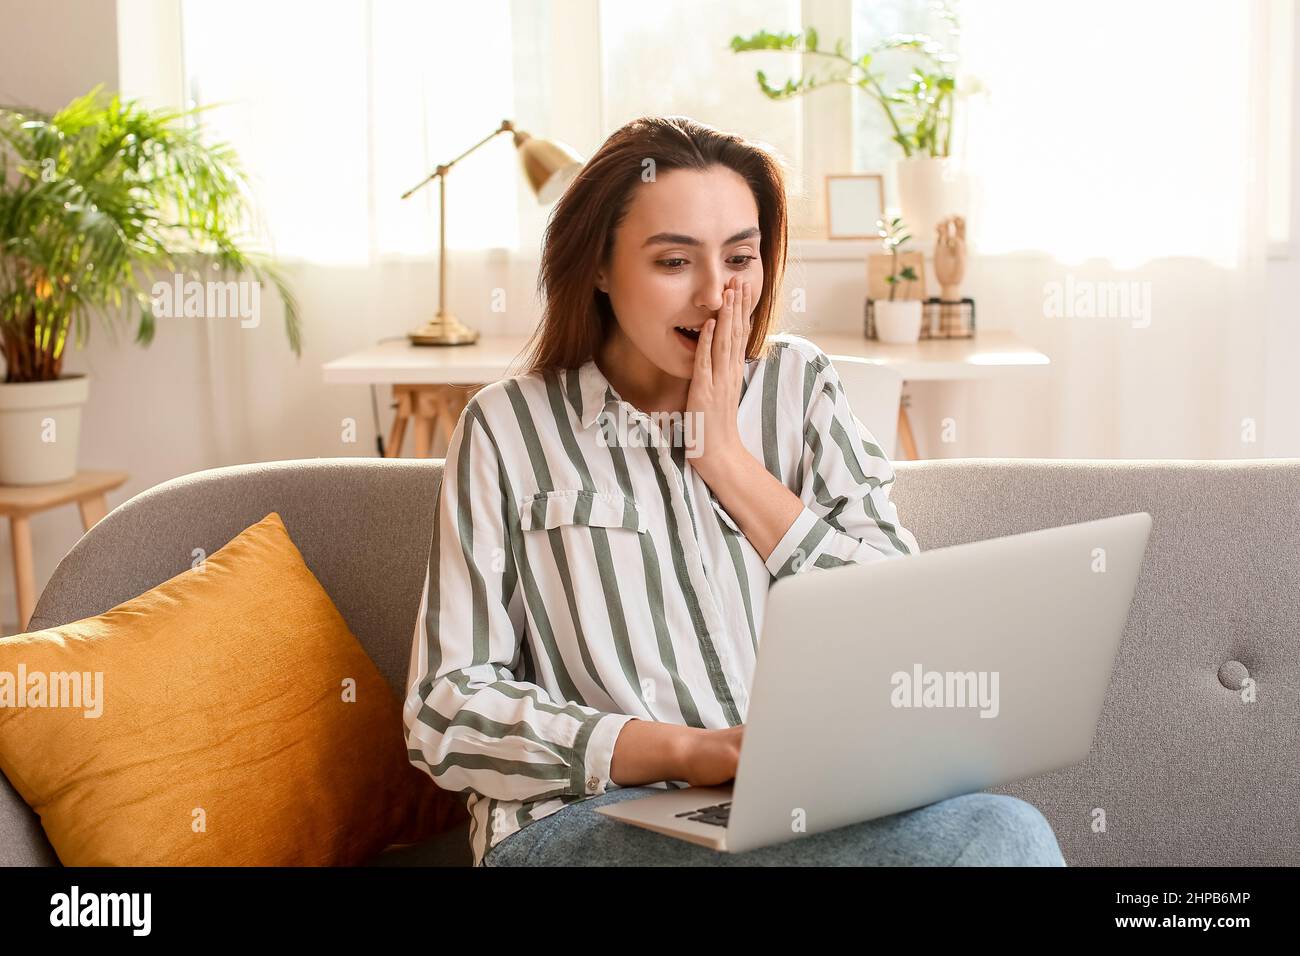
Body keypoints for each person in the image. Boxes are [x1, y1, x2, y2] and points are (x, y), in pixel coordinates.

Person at [403, 115, 1067, 868]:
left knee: (1003, 833)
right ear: (598, 266)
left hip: (796, 805)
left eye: (740, 258)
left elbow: (901, 629)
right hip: (589, 814)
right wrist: (681, 749)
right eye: (674, 261)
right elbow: (444, 707)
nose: (717, 294)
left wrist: (727, 463)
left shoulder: (800, 385)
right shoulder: (506, 427)